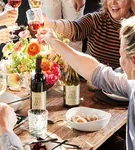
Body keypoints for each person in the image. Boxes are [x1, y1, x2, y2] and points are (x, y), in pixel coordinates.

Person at [37, 16, 135, 150]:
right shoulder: (131, 84)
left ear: (133, 59)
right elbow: (95, 70)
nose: (120, 58)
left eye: (121, 52)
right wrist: (53, 41)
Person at [44, 0, 135, 69]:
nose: (113, 2)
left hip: (124, 81)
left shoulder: (132, 28)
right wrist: (51, 24)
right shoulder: (96, 20)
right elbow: (75, 29)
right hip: (92, 80)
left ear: (132, 2)